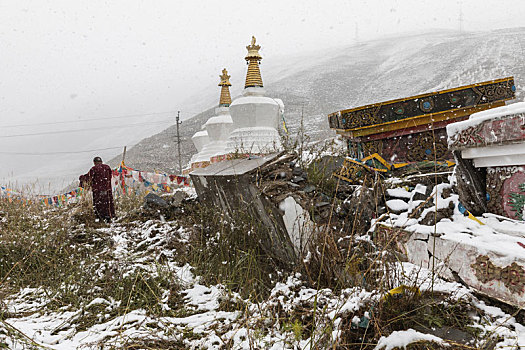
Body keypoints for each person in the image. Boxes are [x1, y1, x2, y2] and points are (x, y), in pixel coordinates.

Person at [79, 156, 116, 222]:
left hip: (98, 191)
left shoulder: (94, 169)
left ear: (94, 162)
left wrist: (81, 178)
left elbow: (88, 178)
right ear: (101, 161)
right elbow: (109, 177)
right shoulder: (107, 168)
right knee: (108, 203)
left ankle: (101, 218)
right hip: (107, 190)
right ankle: (110, 216)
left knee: (99, 205)